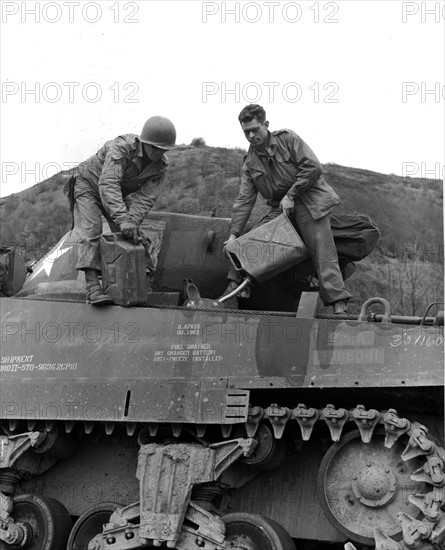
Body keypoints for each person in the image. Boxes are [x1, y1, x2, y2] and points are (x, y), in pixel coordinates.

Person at [222, 104, 351, 314]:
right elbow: (244, 200)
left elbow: (313, 167)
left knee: (322, 250)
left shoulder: (288, 139)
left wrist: (292, 194)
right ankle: (237, 287)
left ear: (266, 125)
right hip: (281, 209)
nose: (252, 135)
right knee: (252, 239)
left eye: (256, 129)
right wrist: (234, 234)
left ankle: (338, 303)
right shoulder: (250, 163)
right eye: (247, 132)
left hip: (309, 201)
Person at [72, 116, 176, 305]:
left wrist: (131, 222)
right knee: (92, 230)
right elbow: (108, 183)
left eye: (163, 149)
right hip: (89, 184)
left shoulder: (160, 166)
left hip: (117, 191)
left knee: (135, 234)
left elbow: (145, 199)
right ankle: (92, 286)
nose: (158, 153)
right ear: (144, 142)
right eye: (154, 148)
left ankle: (143, 282)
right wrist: (122, 219)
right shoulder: (122, 147)